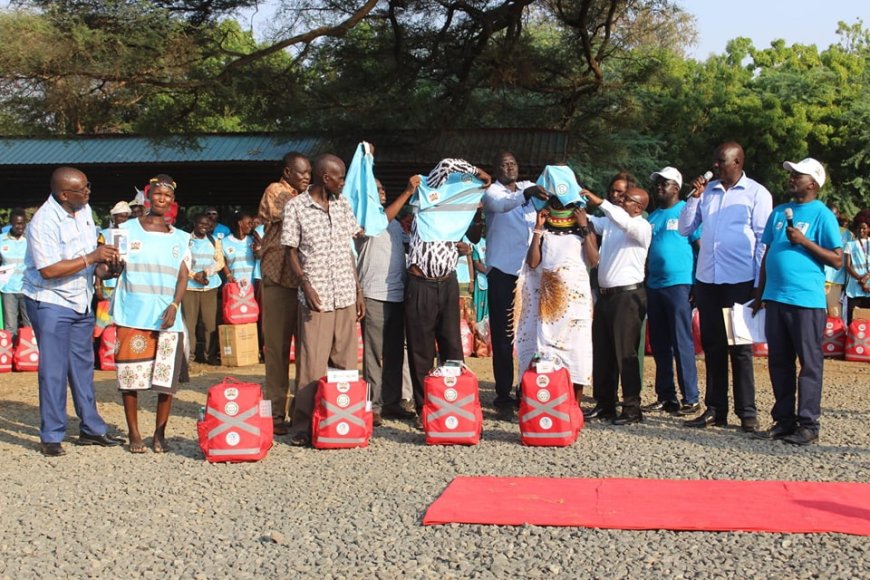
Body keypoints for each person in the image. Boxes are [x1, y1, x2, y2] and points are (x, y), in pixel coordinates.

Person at [23, 167, 124, 456]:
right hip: (50, 301)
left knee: (82, 367)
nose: (88, 191)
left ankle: (91, 429)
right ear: (64, 194)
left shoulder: (84, 210)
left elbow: (91, 259)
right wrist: (92, 257)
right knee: (54, 370)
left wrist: (106, 268)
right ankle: (51, 435)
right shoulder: (43, 222)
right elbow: (49, 269)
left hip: (81, 300)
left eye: (88, 185)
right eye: (82, 188)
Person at [678, 142, 772, 432]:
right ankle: (715, 409)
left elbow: (761, 242)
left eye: (721, 162)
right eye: (715, 161)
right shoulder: (708, 193)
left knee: (740, 348)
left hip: (740, 283)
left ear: (738, 162)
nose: (715, 166)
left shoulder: (757, 194)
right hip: (708, 281)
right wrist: (695, 197)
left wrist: (759, 285)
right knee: (713, 347)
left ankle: (747, 412)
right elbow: (684, 228)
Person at [751, 159, 842, 445]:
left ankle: (808, 424)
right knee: (779, 362)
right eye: (791, 174)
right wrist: (760, 292)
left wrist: (804, 241)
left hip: (806, 301)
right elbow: (767, 254)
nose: (791, 178)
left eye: (797, 175)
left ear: (812, 183)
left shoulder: (822, 215)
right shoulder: (778, 212)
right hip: (775, 298)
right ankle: (784, 420)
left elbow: (838, 259)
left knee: (809, 363)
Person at [282, 154, 364, 447]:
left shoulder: (343, 205)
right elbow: (290, 251)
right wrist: (305, 283)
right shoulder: (296, 207)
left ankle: (343, 418)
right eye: (340, 177)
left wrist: (358, 291)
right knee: (312, 364)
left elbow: (348, 251)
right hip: (315, 296)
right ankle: (302, 425)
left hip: (344, 292)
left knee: (345, 360)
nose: (343, 182)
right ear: (324, 178)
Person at [405, 159, 492, 427]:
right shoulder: (429, 187)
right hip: (421, 283)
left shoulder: (459, 207)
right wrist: (479, 173)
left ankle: (454, 401)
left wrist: (478, 188)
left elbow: (474, 236)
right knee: (421, 350)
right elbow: (446, 164)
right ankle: (424, 409)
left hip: (448, 282)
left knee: (452, 345)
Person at [112, 174, 190, 453]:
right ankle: (134, 434)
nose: (162, 199)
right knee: (130, 379)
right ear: (148, 196)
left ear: (172, 201)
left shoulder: (181, 238)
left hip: (168, 317)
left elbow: (183, 277)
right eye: (157, 194)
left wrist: (174, 305)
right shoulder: (127, 229)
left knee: (165, 382)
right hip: (132, 314)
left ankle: (160, 434)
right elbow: (114, 265)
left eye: (167, 196)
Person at [515, 178, 598, 401]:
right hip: (550, 308)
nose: (562, 209)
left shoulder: (583, 231)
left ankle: (574, 406)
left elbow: (594, 259)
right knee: (545, 353)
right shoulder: (545, 233)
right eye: (558, 204)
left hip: (576, 306)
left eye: (567, 205)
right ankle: (546, 402)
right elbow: (533, 263)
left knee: (577, 353)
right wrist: (538, 229)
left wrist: (583, 227)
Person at [482, 152, 547, 414]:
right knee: (504, 335)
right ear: (496, 169)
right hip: (503, 272)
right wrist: (529, 192)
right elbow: (503, 205)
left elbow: (547, 200)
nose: (509, 167)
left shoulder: (526, 188)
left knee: (529, 332)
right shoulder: (493, 193)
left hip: (529, 273)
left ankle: (527, 388)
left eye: (513, 163)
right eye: (504, 164)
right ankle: (503, 393)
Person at [582, 186, 652, 425]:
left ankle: (632, 408)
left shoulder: (641, 227)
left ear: (638, 207)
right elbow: (591, 221)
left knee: (625, 353)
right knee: (603, 352)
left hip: (628, 297)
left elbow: (621, 220)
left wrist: (599, 201)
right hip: (606, 296)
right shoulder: (612, 223)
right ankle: (605, 404)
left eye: (626, 199)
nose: (621, 201)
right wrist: (573, 206)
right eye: (620, 198)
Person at [357, 177, 420, 425]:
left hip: (397, 294)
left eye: (383, 188)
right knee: (374, 353)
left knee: (395, 352)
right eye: (376, 188)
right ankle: (373, 404)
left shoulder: (394, 225)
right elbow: (381, 221)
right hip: (373, 294)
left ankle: (392, 401)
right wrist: (407, 191)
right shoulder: (364, 218)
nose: (382, 191)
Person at [257, 152, 311, 435]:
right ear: (287, 172)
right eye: (301, 173)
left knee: (307, 350)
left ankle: (301, 409)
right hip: (278, 279)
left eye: (310, 174)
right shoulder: (276, 191)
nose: (306, 177)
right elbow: (289, 211)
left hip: (305, 282)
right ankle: (276, 411)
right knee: (277, 350)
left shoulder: (307, 196)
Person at [642, 167, 701, 416]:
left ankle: (691, 397)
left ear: (676, 188)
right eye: (657, 183)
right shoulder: (652, 217)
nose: (658, 187)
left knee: (681, 341)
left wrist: (697, 283)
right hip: (654, 285)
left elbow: (699, 246)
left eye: (664, 184)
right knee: (659, 343)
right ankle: (666, 396)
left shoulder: (687, 212)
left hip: (679, 284)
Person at [182, 213, 224, 364]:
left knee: (209, 323)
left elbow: (220, 262)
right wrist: (195, 276)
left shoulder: (214, 241)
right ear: (194, 223)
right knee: (190, 323)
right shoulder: (186, 240)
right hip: (189, 287)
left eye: (207, 225)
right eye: (201, 224)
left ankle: (210, 356)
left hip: (210, 286)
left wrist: (205, 273)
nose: (204, 227)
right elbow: (181, 262)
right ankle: (189, 356)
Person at [1, 208, 31, 339]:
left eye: (23, 223)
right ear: (11, 223)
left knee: (29, 324)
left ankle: (29, 355)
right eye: (17, 223)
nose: (20, 227)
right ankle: (9, 354)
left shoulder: (31, 239)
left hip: (27, 287)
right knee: (10, 326)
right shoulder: (1, 240)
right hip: (8, 288)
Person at [96, 201, 132, 302]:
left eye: (126, 217)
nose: (124, 220)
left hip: (128, 283)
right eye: (120, 216)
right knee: (106, 316)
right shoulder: (104, 234)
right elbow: (97, 261)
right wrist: (97, 285)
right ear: (114, 217)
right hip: (109, 283)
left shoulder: (133, 234)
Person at [823, 206, 852, 319]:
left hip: (836, 281)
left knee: (835, 314)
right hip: (819, 279)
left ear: (838, 216)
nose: (831, 217)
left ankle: (835, 337)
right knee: (819, 315)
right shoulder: (819, 229)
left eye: (834, 214)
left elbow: (849, 258)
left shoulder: (847, 234)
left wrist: (847, 282)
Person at [844, 210, 870, 321]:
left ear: (869, 228)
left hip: (868, 287)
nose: (861, 230)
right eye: (859, 228)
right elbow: (847, 266)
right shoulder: (850, 244)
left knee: (867, 320)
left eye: (864, 228)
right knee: (852, 319)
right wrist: (860, 279)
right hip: (854, 288)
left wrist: (866, 278)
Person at [222, 209, 256, 288]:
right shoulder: (224, 242)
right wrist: (228, 274)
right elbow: (222, 261)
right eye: (249, 223)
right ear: (240, 223)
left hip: (252, 285)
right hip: (234, 284)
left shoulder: (253, 240)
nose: (251, 226)